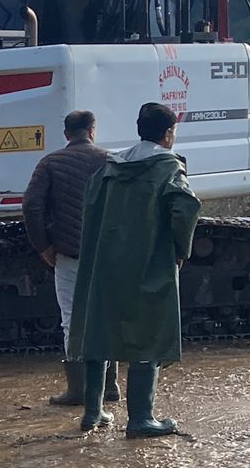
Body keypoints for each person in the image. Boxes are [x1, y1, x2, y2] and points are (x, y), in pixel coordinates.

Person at [69, 101, 201, 436]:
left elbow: (91, 205)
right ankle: (141, 419)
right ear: (169, 133)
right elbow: (185, 207)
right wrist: (181, 249)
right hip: (147, 262)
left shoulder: (111, 166)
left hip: (105, 261)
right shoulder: (167, 166)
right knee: (148, 332)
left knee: (99, 329)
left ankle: (93, 413)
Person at [21, 109, 118, 406]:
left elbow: (31, 207)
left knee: (72, 321)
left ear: (66, 134)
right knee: (105, 317)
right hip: (106, 255)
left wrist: (44, 247)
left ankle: (79, 390)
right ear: (92, 130)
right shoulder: (111, 161)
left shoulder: (50, 163)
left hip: (68, 254)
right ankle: (110, 385)